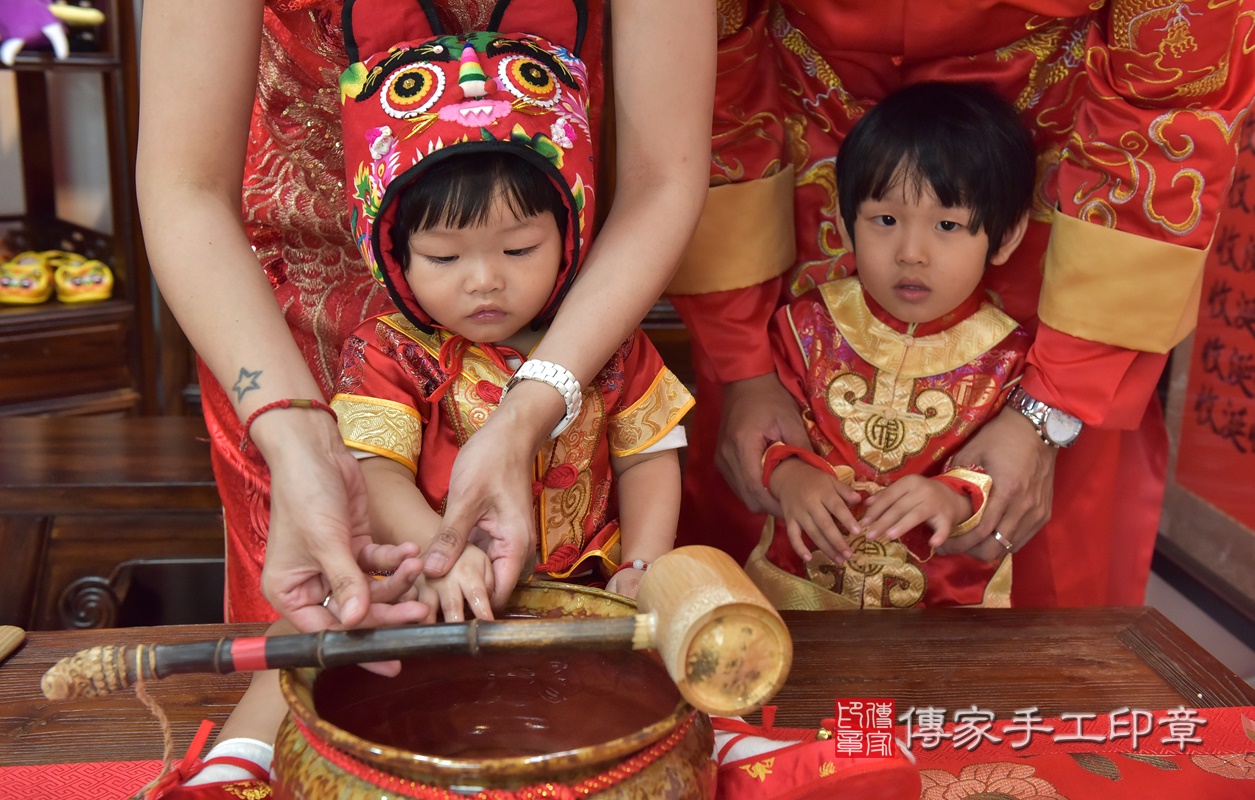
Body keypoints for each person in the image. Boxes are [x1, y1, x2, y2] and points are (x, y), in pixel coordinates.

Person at [140, 18, 693, 798]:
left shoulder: (613, 353)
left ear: (565, 235)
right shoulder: (395, 354)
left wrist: (643, 562)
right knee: (328, 637)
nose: (484, 284)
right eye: (444, 259)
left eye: (518, 252)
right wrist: (434, 548)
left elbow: (648, 450)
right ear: (397, 256)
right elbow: (375, 468)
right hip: (403, 546)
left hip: (588, 588)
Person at [668, 1, 1255, 607]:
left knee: (1036, 562)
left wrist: (1050, 409)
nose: (914, 255)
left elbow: (1171, 98)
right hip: (790, 145)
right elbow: (710, 50)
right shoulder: (800, 325)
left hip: (1063, 174)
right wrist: (743, 363)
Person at [745, 80, 1034, 610]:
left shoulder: (1011, 357)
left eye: (948, 224)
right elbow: (768, 428)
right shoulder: (807, 326)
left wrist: (948, 496)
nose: (911, 253)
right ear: (843, 222)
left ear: (1006, 236)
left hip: (943, 612)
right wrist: (788, 478)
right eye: (885, 220)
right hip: (795, 594)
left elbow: (1007, 472)